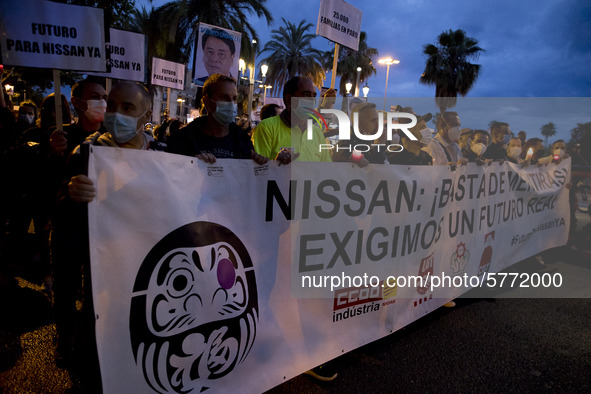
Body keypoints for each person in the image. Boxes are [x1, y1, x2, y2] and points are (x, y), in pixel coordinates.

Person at [52, 81, 162, 390]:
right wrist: (70, 193)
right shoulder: (86, 153)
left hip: (146, 271)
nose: (116, 114)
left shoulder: (164, 155)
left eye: (128, 108)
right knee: (99, 340)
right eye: (112, 106)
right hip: (100, 272)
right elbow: (58, 207)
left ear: (145, 115)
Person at [167, 74, 267, 165]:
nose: (231, 103)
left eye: (234, 98)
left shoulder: (243, 142)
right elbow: (173, 176)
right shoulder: (183, 140)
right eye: (224, 97)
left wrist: (259, 163)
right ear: (207, 102)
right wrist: (191, 165)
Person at [251, 76, 332, 164]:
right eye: (306, 94)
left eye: (314, 96)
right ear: (289, 99)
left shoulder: (317, 133)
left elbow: (326, 169)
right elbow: (259, 170)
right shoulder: (266, 128)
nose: (312, 100)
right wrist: (275, 163)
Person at [332, 102, 388, 166]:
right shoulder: (345, 147)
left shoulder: (371, 142)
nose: (378, 124)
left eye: (378, 120)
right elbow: (375, 169)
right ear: (358, 125)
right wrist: (379, 146)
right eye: (373, 120)